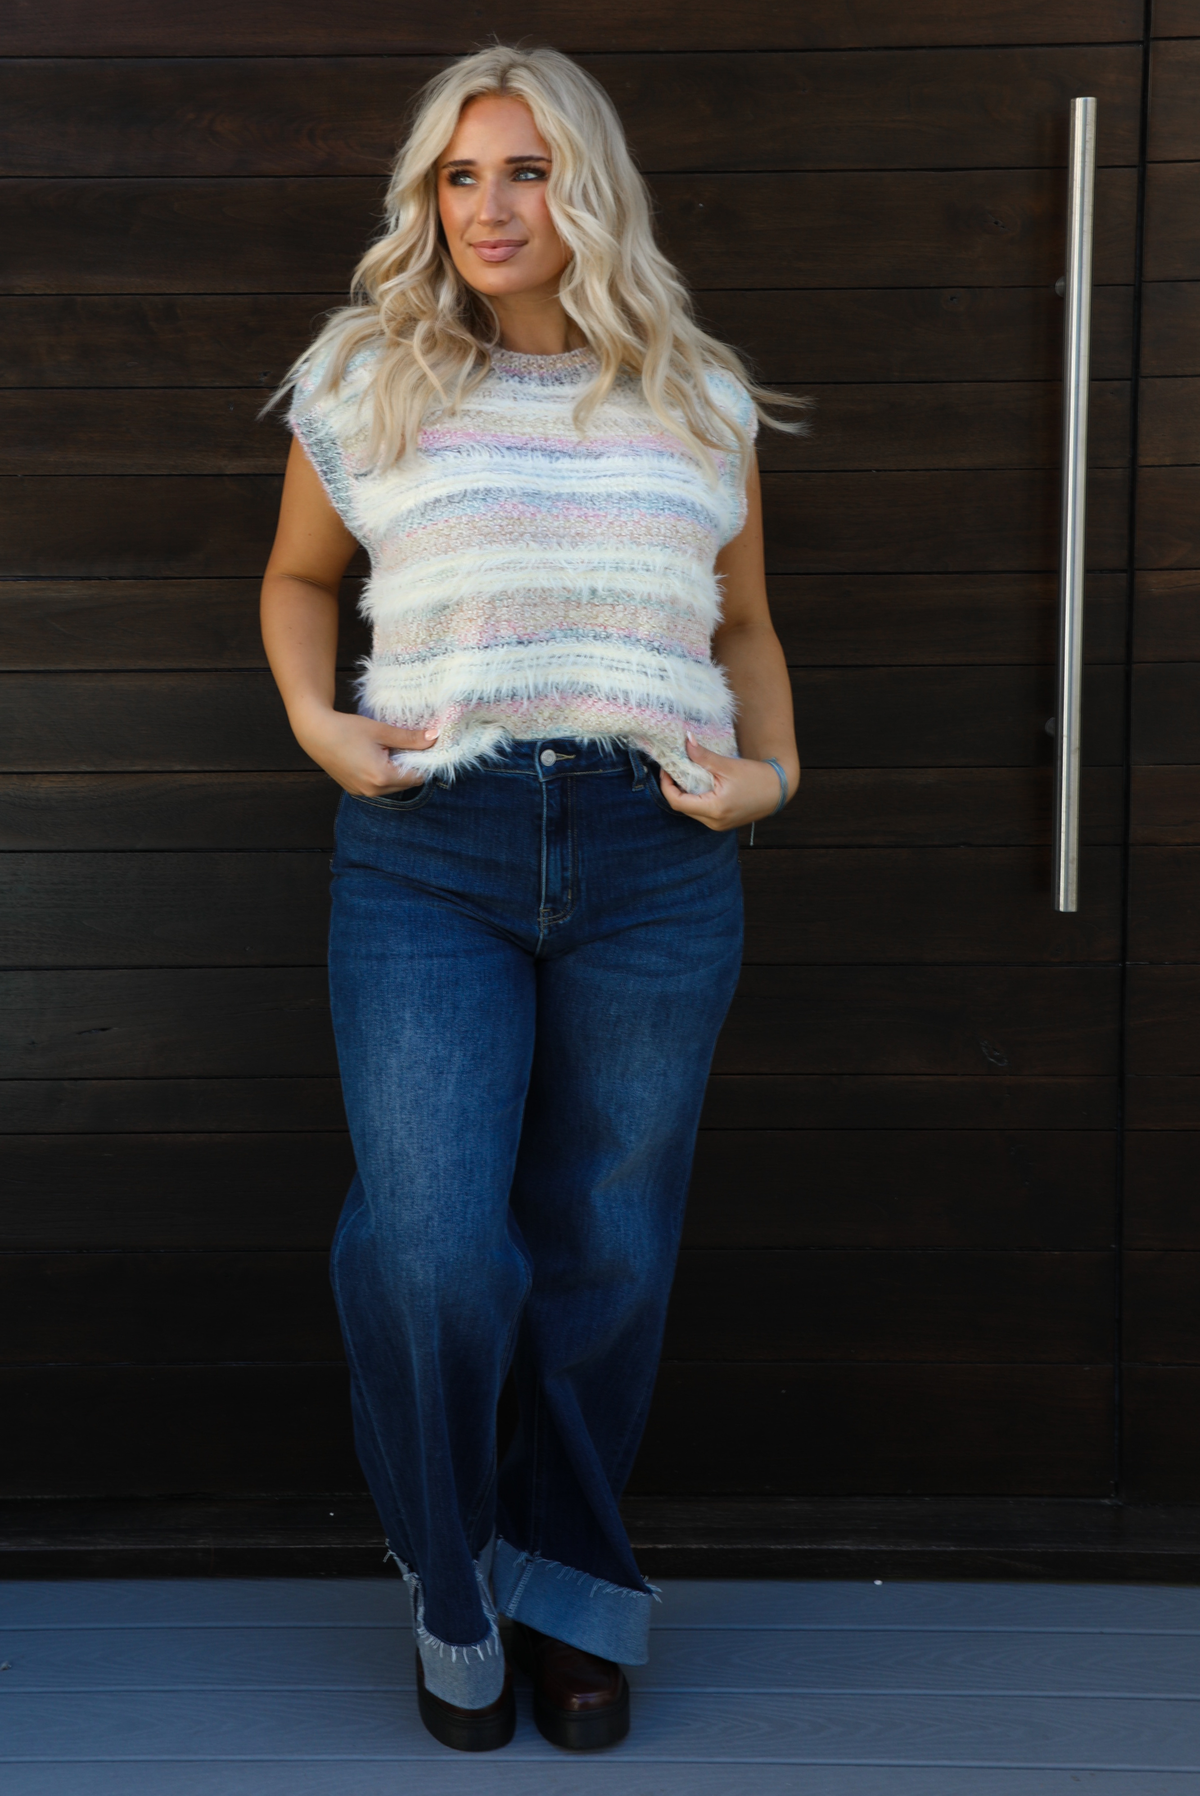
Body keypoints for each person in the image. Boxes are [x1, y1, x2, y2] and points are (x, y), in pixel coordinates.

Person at [260, 42, 800, 1754]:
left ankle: (568, 1593)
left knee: (608, 1251)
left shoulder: (698, 393)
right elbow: (296, 577)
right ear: (431, 197)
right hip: (433, 844)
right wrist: (314, 722)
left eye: (527, 171)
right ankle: (452, 1576)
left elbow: (749, 630)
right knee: (430, 1248)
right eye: (461, 175)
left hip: (657, 853)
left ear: (592, 193)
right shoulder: (366, 376)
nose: (491, 207)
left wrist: (773, 772)